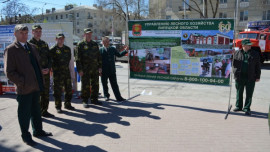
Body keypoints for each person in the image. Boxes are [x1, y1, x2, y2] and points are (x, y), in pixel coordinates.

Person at [4, 24, 52, 146]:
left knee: (36, 111)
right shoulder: (11, 49)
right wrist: (23, 82)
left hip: (36, 85)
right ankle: (26, 136)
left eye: (26, 33)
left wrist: (40, 71)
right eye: (21, 33)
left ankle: (38, 131)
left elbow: (34, 64)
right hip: (24, 88)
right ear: (15, 34)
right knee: (24, 113)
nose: (24, 35)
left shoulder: (32, 47)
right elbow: (9, 72)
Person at [29, 24, 54, 118]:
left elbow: (49, 58)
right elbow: (28, 61)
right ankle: (37, 113)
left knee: (45, 92)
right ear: (32, 32)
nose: (38, 33)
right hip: (35, 74)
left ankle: (44, 111)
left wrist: (48, 68)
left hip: (46, 73)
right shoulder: (29, 44)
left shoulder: (44, 44)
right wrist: (40, 70)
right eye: (36, 31)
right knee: (36, 94)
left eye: (40, 31)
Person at [232, 39, 261, 115]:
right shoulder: (236, 53)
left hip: (250, 77)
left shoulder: (255, 54)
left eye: (250, 44)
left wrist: (258, 76)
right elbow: (232, 63)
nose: (250, 46)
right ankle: (238, 106)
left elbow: (258, 66)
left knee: (249, 93)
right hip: (239, 76)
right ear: (243, 45)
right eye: (248, 45)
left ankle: (246, 108)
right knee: (239, 92)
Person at [76, 28, 102, 108]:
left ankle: (94, 99)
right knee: (85, 85)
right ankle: (85, 100)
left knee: (95, 84)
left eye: (90, 33)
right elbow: (77, 58)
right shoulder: (80, 44)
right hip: (85, 69)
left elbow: (98, 57)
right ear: (84, 34)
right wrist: (79, 70)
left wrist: (100, 67)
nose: (89, 35)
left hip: (94, 68)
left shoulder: (94, 44)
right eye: (87, 34)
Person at [50, 33, 75, 113]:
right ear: (56, 39)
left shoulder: (67, 49)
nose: (61, 40)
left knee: (68, 89)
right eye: (59, 38)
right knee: (57, 91)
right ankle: (58, 106)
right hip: (57, 74)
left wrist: (72, 73)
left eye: (62, 38)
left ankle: (67, 104)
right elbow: (50, 62)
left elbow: (70, 61)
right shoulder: (52, 50)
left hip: (66, 73)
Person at [100, 36, 128, 102]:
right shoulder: (100, 50)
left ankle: (118, 97)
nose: (107, 43)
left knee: (115, 84)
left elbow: (119, 55)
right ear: (103, 42)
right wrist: (99, 68)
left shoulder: (112, 49)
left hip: (112, 70)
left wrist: (125, 51)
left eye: (108, 41)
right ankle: (106, 96)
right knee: (104, 84)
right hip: (103, 71)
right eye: (105, 41)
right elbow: (98, 60)